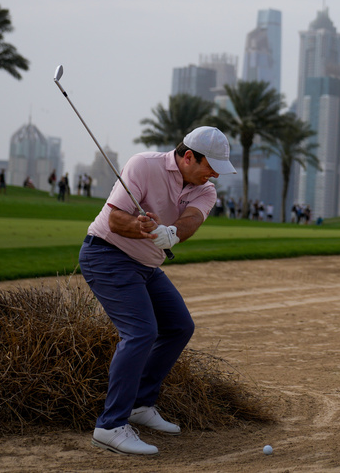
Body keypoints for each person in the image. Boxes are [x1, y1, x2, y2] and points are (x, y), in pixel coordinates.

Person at [79, 126, 236, 456]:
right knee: (141, 332)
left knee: (179, 326)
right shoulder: (143, 165)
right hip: (106, 255)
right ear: (189, 156)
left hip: (146, 266)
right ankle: (110, 425)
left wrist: (172, 233)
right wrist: (139, 226)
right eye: (211, 167)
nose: (215, 176)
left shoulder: (205, 190)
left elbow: (192, 219)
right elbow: (115, 221)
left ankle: (140, 404)